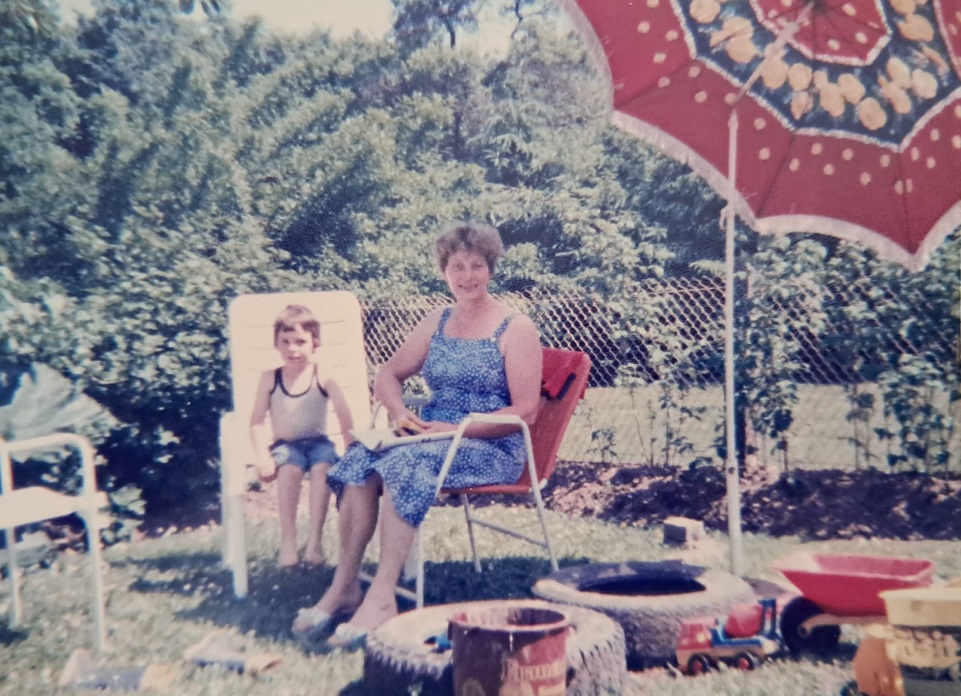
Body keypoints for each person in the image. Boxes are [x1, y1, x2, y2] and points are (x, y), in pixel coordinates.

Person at [291, 221, 543, 649]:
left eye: (477, 265)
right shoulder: (436, 320)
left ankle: (383, 595)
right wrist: (399, 411)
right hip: (429, 434)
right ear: (443, 271)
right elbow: (388, 373)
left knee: (404, 464)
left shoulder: (515, 328)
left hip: (489, 443)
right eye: (457, 266)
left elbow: (526, 410)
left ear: (491, 269)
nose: (467, 276)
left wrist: (460, 429)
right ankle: (345, 585)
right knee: (358, 461)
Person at [249, 304, 355, 568]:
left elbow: (344, 414)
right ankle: (288, 542)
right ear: (276, 343)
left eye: (300, 342)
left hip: (319, 443)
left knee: (323, 470)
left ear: (315, 343)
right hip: (286, 446)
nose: (292, 349)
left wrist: (351, 447)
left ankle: (315, 543)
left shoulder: (323, 374)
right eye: (285, 342)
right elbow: (256, 422)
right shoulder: (270, 378)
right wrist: (262, 456)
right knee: (289, 471)